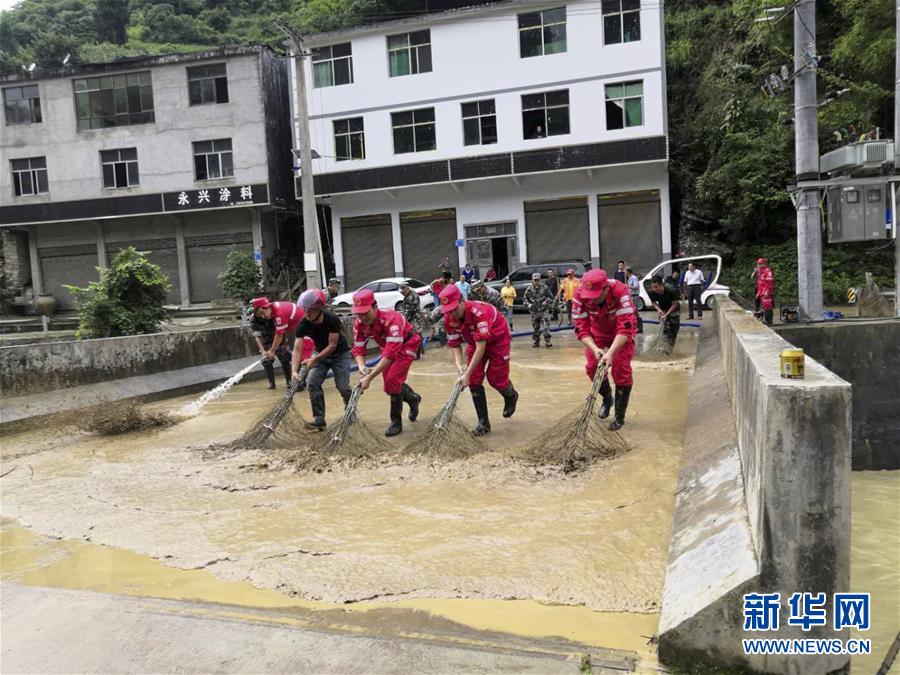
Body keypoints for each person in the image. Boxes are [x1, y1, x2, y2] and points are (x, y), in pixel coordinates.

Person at [439, 283, 518, 436]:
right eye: (449, 311)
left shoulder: (478, 314)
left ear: (462, 301)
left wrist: (466, 373)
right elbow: (455, 344)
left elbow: (481, 348)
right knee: (474, 380)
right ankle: (483, 423)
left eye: (455, 309)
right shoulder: (448, 318)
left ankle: (511, 396)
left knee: (496, 379)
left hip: (497, 340)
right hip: (474, 342)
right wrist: (460, 367)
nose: (452, 314)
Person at [351, 289, 422, 437]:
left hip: (407, 344)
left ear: (375, 307)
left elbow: (390, 354)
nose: (363, 317)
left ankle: (396, 422)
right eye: (359, 313)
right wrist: (362, 367)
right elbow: (358, 348)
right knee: (389, 387)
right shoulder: (359, 323)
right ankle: (413, 398)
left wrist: (369, 378)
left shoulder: (392, 320)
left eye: (366, 312)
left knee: (392, 380)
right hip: (388, 346)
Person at [572, 268, 637, 430]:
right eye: (589, 296)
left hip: (620, 334)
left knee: (621, 370)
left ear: (606, 288)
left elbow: (625, 328)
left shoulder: (620, 291)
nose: (592, 300)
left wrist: (611, 354)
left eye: (596, 296)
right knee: (592, 367)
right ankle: (607, 398)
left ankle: (619, 416)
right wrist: (595, 349)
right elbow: (581, 328)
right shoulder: (579, 295)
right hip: (597, 333)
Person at [291, 289, 352, 429]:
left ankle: (350, 412)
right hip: (319, 353)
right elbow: (297, 349)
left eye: (310, 310)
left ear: (319, 309)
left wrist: (314, 359)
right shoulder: (303, 324)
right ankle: (319, 419)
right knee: (312, 383)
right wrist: (294, 371)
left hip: (340, 355)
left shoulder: (332, 320)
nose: (307, 313)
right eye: (305, 310)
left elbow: (332, 345)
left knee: (343, 386)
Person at [250, 297, 313, 390]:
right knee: (296, 358)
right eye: (260, 315)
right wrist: (264, 351)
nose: (263, 317)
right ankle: (296, 382)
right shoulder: (270, 312)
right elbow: (258, 336)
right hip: (272, 338)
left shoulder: (279, 314)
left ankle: (299, 382)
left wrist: (273, 350)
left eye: (262, 313)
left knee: (299, 358)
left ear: (266, 307)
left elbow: (280, 333)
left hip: (306, 331)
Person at [648, 275, 681, 349]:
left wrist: (667, 314)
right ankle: (663, 349)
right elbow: (653, 302)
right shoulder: (652, 292)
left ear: (661, 285)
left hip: (674, 310)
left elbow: (675, 304)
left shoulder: (671, 290)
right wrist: (659, 310)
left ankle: (669, 349)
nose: (654, 289)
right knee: (664, 329)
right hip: (663, 310)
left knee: (673, 331)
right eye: (653, 287)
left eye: (656, 287)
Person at [523, 272, 553, 348]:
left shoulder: (545, 287)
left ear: (540, 280)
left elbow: (551, 297)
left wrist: (546, 301)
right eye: (535, 280)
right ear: (532, 280)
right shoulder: (529, 289)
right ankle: (536, 341)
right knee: (536, 327)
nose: (536, 282)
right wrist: (528, 304)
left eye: (538, 280)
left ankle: (547, 341)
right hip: (534, 311)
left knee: (546, 326)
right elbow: (524, 299)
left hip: (543, 310)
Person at [756, 258, 775, 326]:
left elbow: (770, 282)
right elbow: (760, 283)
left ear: (764, 263)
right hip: (762, 292)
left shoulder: (768, 271)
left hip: (766, 292)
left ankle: (769, 321)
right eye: (758, 263)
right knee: (764, 306)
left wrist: (767, 290)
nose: (758, 264)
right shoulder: (760, 272)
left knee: (768, 306)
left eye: (760, 263)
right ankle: (766, 320)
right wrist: (758, 292)